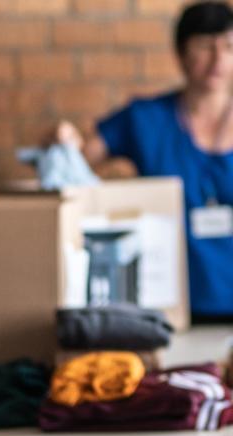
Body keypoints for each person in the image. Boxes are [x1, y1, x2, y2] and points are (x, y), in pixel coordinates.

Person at [57, 0, 233, 321]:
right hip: (168, 309)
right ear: (181, 53)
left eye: (229, 46)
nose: (218, 58)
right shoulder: (145, 119)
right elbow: (76, 165)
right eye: (205, 46)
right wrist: (62, 141)